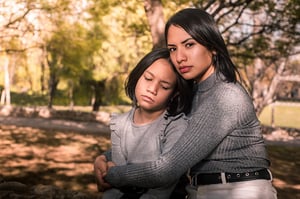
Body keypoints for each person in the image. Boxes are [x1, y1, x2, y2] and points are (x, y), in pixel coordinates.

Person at [95, 8, 278, 199]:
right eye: (173, 48)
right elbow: (157, 142)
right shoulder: (194, 92)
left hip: (238, 191)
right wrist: (104, 158)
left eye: (189, 45)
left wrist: (111, 175)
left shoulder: (226, 95)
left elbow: (166, 170)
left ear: (213, 47)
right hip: (203, 190)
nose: (179, 57)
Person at [96, 48, 193, 199]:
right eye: (148, 78)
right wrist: (102, 160)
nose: (152, 89)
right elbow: (115, 183)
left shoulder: (176, 126)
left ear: (175, 93)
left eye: (165, 86)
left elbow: (162, 188)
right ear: (138, 76)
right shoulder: (120, 123)